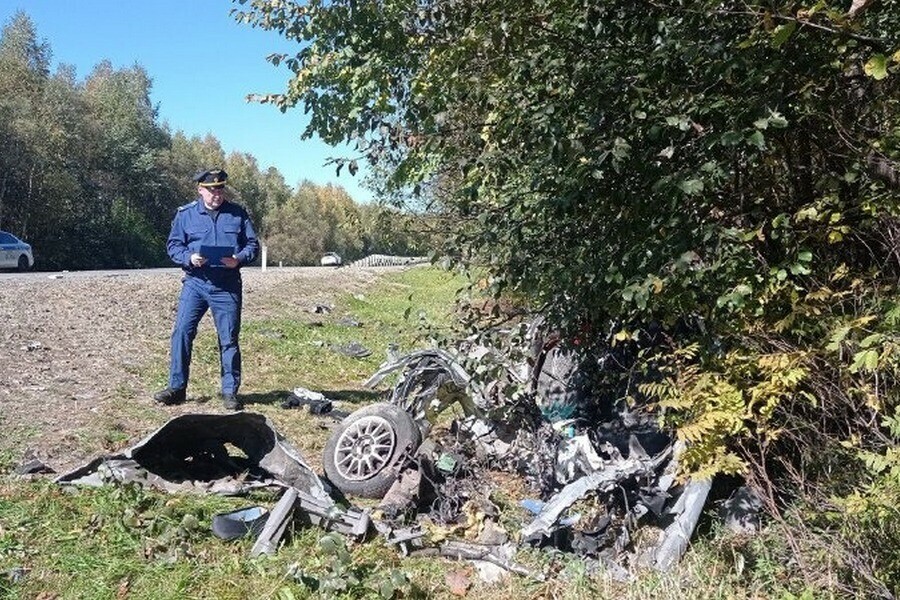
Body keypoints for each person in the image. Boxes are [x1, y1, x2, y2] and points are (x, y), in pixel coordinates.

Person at [154, 168, 260, 410]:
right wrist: (189, 257)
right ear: (200, 190)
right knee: (182, 332)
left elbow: (252, 245)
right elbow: (173, 246)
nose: (217, 194)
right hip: (195, 283)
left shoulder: (238, 214)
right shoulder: (186, 215)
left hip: (227, 286)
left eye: (220, 189)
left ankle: (230, 392)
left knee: (229, 339)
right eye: (212, 190)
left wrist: (239, 258)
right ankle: (176, 388)